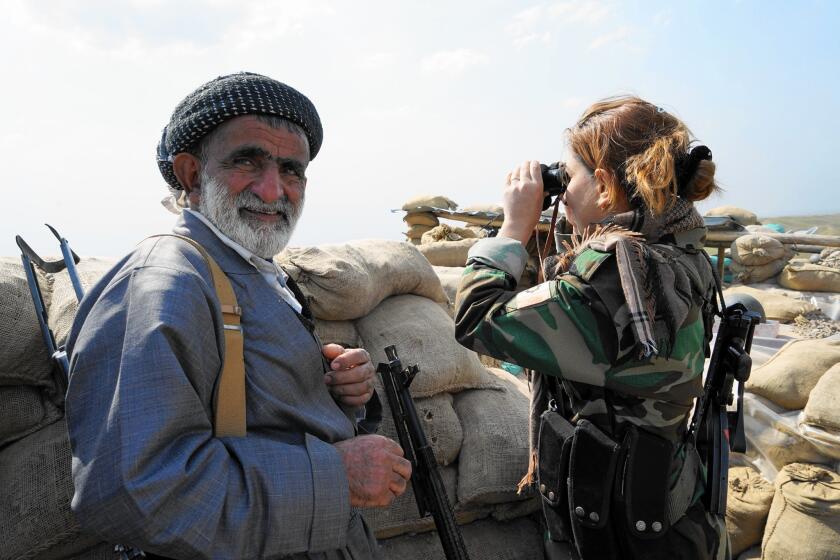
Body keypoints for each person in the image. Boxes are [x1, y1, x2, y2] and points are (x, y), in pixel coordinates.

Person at [64, 72, 411, 559]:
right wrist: (336, 476)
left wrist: (334, 390)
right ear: (190, 174)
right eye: (248, 161)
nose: (273, 191)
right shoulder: (167, 283)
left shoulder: (253, 271)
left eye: (291, 169)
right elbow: (138, 492)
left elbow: (260, 414)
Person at [454, 96, 727, 560]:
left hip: (625, 541)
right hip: (670, 514)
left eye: (569, 175)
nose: (562, 189)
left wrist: (514, 226)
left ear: (603, 186)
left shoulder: (616, 279)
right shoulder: (677, 254)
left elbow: (476, 318)